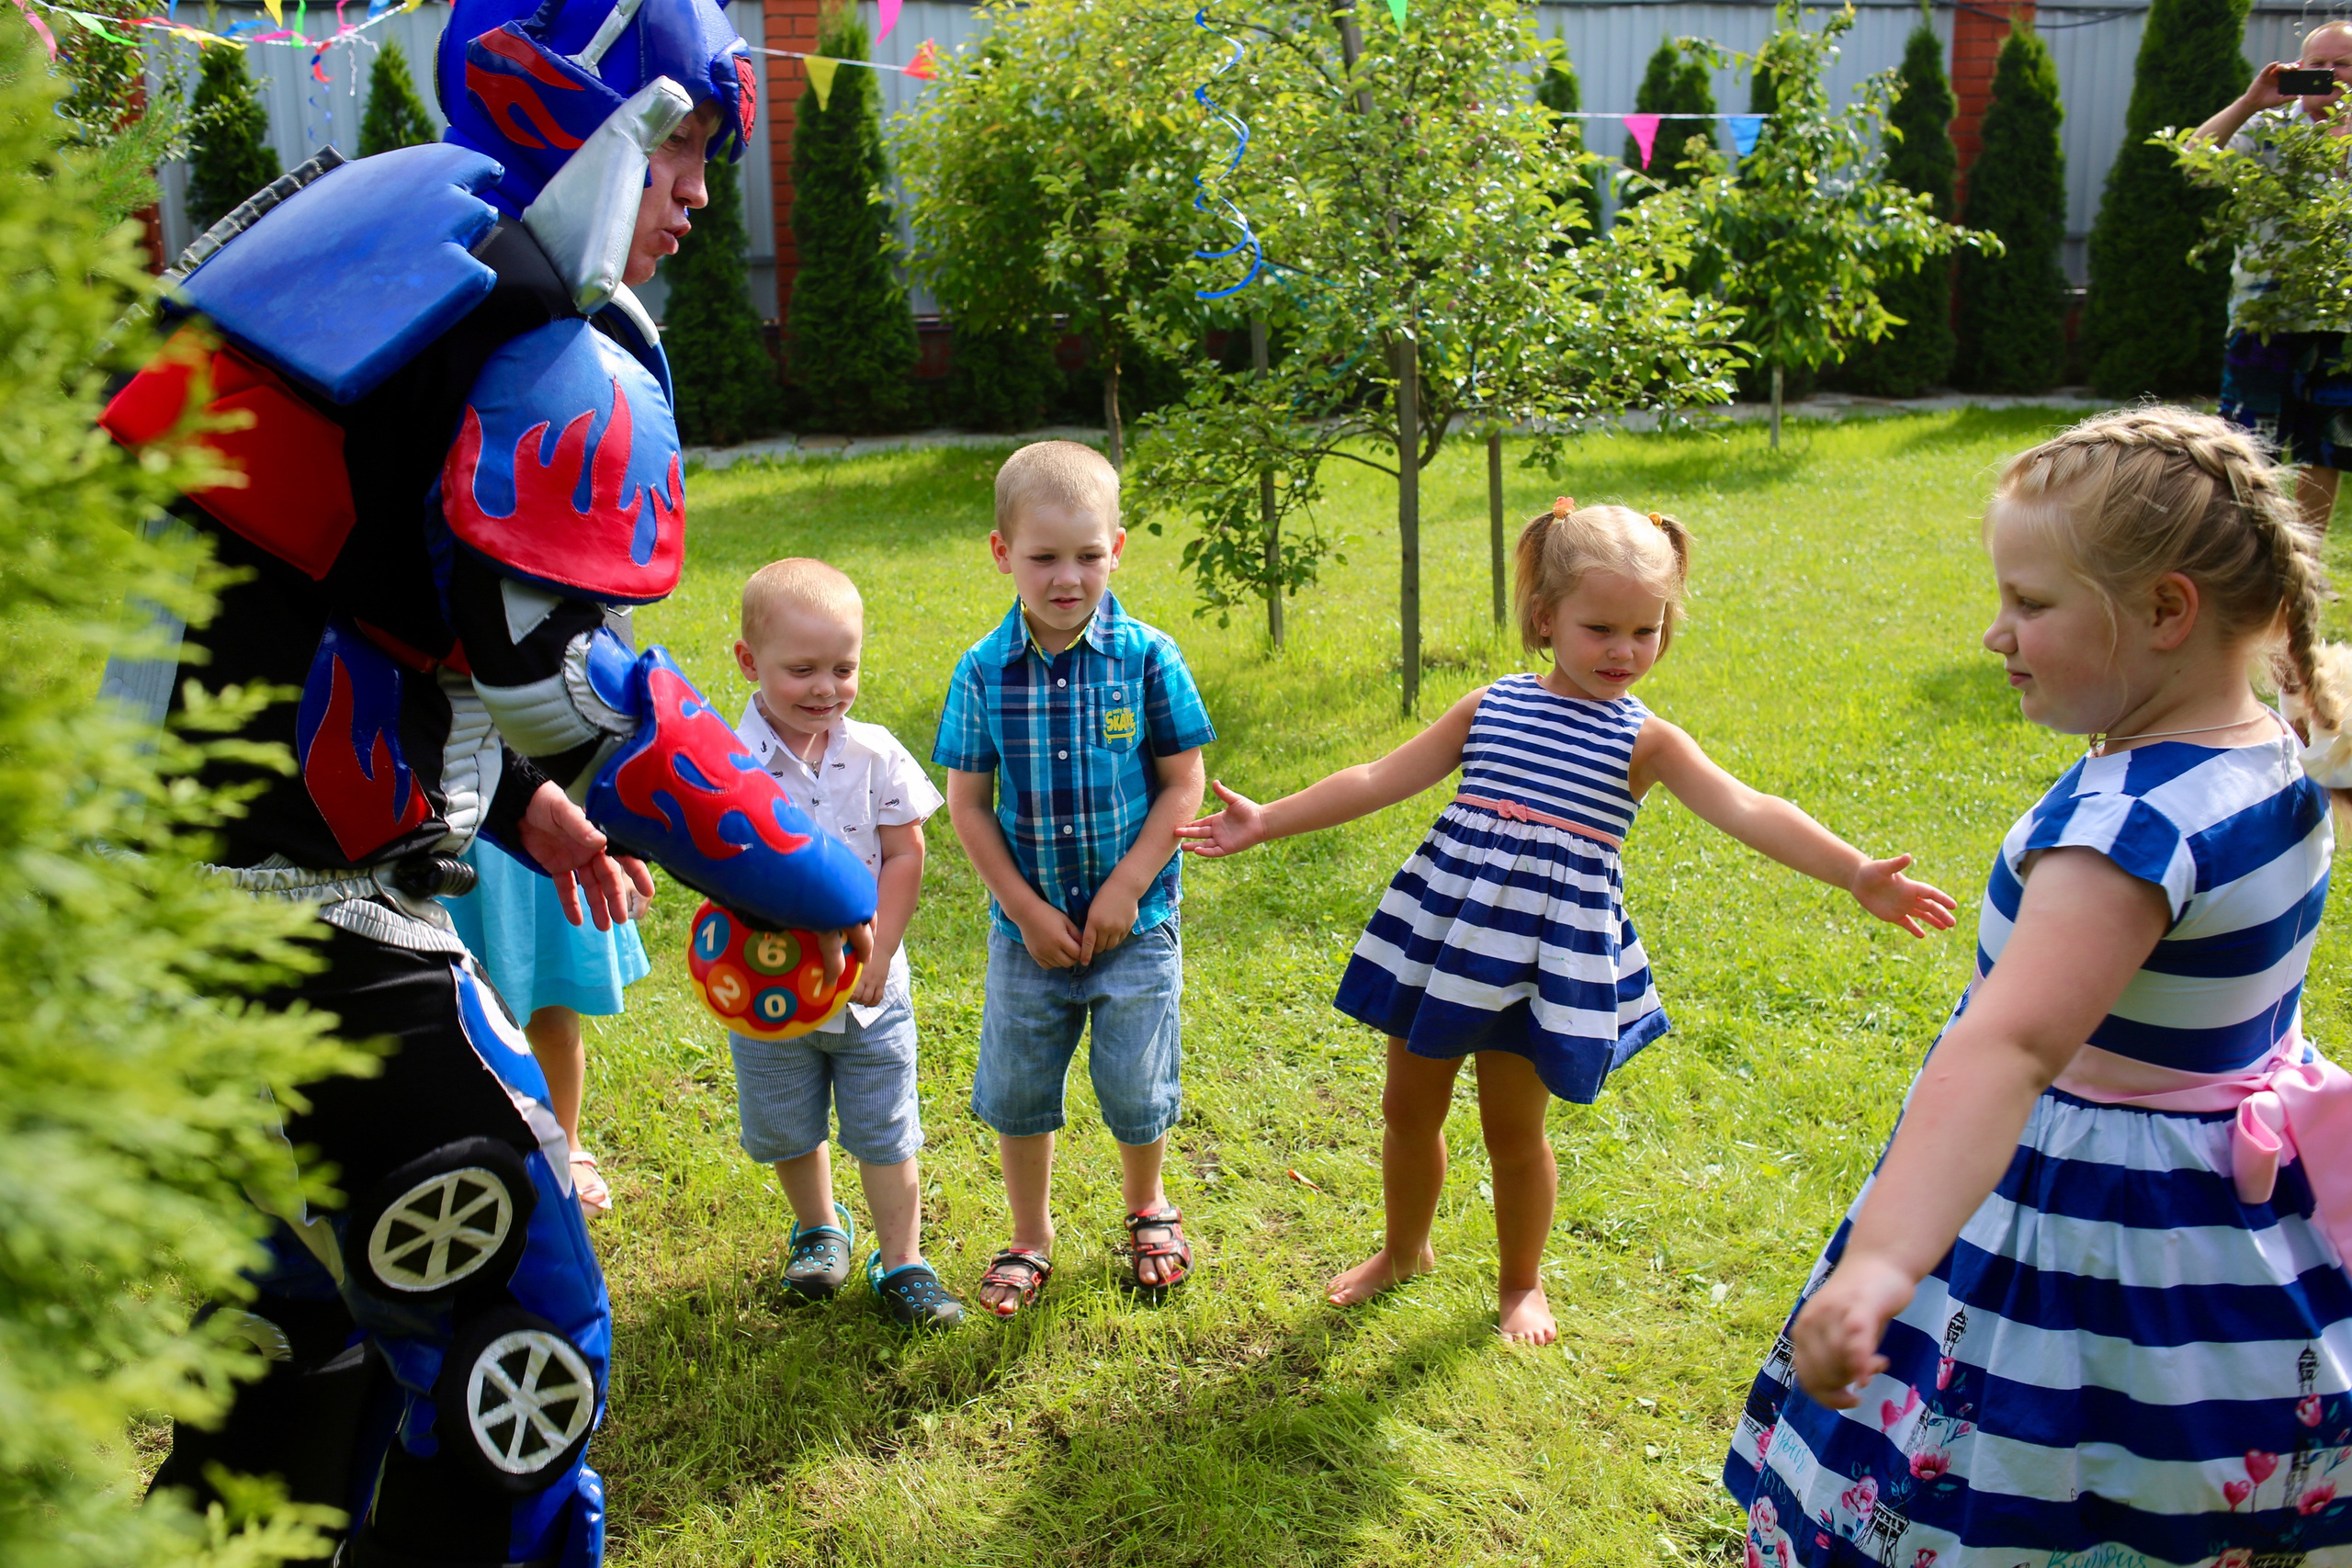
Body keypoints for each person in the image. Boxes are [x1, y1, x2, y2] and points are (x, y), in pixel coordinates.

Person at [103, 1, 880, 1561]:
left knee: (289, 1368)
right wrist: (818, 871)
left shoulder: (370, 250)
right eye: (682, 145)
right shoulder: (539, 343)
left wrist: (516, 805)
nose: (698, 194)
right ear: (597, 116)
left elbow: (308, 594)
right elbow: (568, 683)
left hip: (145, 930)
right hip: (310, 950)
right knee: (516, 1369)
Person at [1732, 407, 2352, 1563]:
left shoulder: (2125, 829)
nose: (1994, 633)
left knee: (2039, 1466)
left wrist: (1880, 1259)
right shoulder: (2279, 744)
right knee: (2181, 1458)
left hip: (2101, 1212)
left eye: (2031, 604)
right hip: (2232, 1201)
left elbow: (2009, 1046)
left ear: (2166, 612)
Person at [1179, 498, 1957, 1346]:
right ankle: (1404, 1250)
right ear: (1545, 618)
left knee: (1514, 1134)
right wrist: (1269, 818)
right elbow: (1376, 777)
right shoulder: (1489, 707)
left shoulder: (1647, 742)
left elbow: (1746, 806)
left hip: (1544, 964)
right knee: (1408, 1110)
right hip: (1449, 942)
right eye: (1601, 629)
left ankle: (1521, 1283)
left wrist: (1852, 870)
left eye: (1646, 630)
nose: (1625, 651)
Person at [933, 440, 1215, 1317]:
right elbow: (969, 804)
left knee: (1137, 1080)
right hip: (1031, 932)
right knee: (1020, 1085)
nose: (1068, 577)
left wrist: (1130, 883)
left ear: (1117, 549)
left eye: (1088, 555)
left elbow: (1184, 782)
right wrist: (1021, 906)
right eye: (1044, 557)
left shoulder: (1148, 657)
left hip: (1139, 920)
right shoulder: (982, 671)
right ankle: (1030, 1233)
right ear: (1000, 553)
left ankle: (1147, 1204)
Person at [726, 558, 964, 1328]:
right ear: (748, 661)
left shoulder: (875, 753)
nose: (826, 688)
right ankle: (820, 1228)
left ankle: (903, 1261)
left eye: (844, 667)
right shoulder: (729, 764)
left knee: (886, 1130)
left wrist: (882, 950)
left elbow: (905, 852)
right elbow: (723, 863)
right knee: (789, 1123)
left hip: (869, 993)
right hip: (774, 988)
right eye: (802, 670)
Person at [2196, 19, 2352, 535]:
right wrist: (2249, 101)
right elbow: (2195, 163)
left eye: (2343, 63)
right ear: (2297, 69)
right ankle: (2247, 559)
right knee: (2243, 447)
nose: (2328, 73)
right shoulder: (2269, 126)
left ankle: (2303, 564)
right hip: (2265, 315)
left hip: (2343, 320)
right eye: (2316, 64)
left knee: (2325, 449)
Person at [442, 833, 652, 1214]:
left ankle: (565, 1145)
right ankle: (455, 1155)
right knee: (448, 1013)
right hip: (448, 835)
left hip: (538, 838)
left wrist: (623, 846)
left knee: (553, 1019)